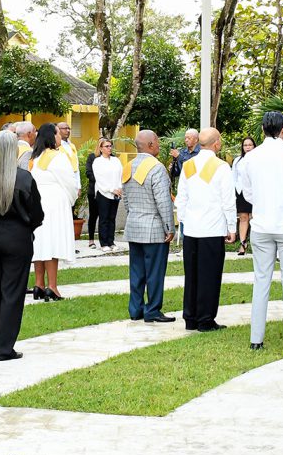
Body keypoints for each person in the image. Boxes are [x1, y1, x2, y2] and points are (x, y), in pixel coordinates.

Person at [237, 111, 283, 356]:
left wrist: (264, 206)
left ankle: (256, 339)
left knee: (261, 280)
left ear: (262, 130)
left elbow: (247, 193)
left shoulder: (250, 158)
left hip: (261, 226)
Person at [0, 132, 44, 361]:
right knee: (12, 292)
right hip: (17, 235)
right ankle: (4, 348)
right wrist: (26, 226)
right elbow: (37, 213)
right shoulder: (24, 178)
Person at [175, 128, 237, 331]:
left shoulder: (188, 165)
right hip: (212, 229)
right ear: (216, 143)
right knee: (209, 276)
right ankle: (205, 319)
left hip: (192, 229)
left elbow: (181, 197)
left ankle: (190, 318)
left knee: (191, 275)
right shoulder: (221, 167)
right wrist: (231, 226)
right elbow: (228, 200)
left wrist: (184, 220)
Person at [122, 129, 175, 323]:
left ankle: (135, 309)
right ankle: (152, 309)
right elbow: (163, 201)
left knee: (136, 272)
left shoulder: (128, 166)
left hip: (134, 225)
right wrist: (169, 227)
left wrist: (133, 216)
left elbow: (125, 199)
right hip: (153, 228)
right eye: (158, 142)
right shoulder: (156, 167)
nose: (159, 145)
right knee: (154, 272)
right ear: (151, 145)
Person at [30, 123, 79, 300]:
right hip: (55, 203)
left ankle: (38, 284)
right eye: (58, 134)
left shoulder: (35, 157)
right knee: (53, 242)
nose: (60, 137)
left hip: (38, 202)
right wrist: (72, 198)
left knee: (40, 242)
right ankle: (52, 286)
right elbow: (70, 183)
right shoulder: (58, 157)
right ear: (51, 136)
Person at [92, 137, 122, 252]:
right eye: (107, 146)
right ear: (101, 148)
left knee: (112, 218)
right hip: (103, 193)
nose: (109, 148)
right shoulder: (97, 162)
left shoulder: (116, 160)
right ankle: (104, 243)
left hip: (116, 194)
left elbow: (120, 175)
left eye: (110, 146)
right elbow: (100, 179)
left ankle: (111, 241)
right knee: (104, 218)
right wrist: (111, 189)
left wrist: (119, 188)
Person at [232, 136, 256, 255]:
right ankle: (243, 243)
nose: (247, 147)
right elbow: (234, 177)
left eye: (250, 145)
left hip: (255, 191)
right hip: (241, 191)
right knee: (243, 217)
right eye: (245, 145)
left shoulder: (259, 159)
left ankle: (256, 244)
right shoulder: (237, 160)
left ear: (254, 146)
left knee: (254, 217)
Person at [57, 122, 80, 192]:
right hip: (61, 184)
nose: (68, 130)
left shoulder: (72, 146)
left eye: (69, 128)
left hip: (73, 182)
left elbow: (76, 167)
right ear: (58, 130)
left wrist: (78, 186)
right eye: (65, 128)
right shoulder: (55, 146)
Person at [85, 146, 98, 249]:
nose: (109, 148)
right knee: (93, 216)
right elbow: (88, 173)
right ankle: (91, 240)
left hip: (108, 192)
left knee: (106, 218)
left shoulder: (112, 158)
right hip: (93, 191)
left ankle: (107, 241)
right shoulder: (92, 157)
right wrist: (101, 180)